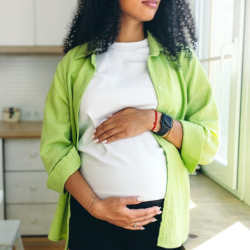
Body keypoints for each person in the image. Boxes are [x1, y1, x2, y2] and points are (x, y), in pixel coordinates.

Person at [40, 0, 220, 250]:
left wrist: (154, 120)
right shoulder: (75, 63)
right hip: (91, 215)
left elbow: (208, 141)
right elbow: (54, 148)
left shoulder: (180, 61)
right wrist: (95, 206)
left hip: (158, 221)